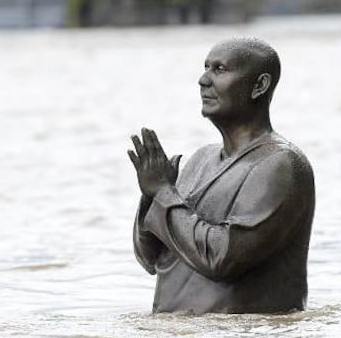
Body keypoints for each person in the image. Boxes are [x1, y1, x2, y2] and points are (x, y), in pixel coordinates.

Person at [128, 37, 315, 314]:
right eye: (205, 68)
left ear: (259, 85)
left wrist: (165, 194)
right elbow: (150, 259)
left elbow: (219, 259)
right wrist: (151, 195)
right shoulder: (199, 160)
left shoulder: (281, 165)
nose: (203, 80)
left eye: (220, 69)